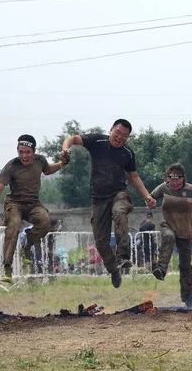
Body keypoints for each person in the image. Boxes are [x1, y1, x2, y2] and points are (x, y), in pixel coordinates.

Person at [61, 119, 156, 288]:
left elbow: (134, 177)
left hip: (119, 194)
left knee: (119, 212)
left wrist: (147, 196)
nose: (119, 137)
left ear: (127, 138)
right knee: (101, 242)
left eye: (124, 136)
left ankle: (123, 255)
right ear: (111, 130)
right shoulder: (97, 141)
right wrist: (66, 149)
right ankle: (113, 269)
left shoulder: (127, 153)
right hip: (98, 199)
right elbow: (73, 139)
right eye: (117, 133)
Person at [0, 135, 64, 283]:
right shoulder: (12, 166)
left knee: (45, 222)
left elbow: (48, 170)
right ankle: (7, 267)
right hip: (15, 203)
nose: (24, 156)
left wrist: (62, 164)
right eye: (21, 152)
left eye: (27, 152)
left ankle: (27, 246)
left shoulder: (40, 161)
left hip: (33, 203)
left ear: (33, 152)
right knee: (14, 226)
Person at [150, 163, 192, 309]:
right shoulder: (163, 187)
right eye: (171, 178)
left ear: (183, 178)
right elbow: (150, 197)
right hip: (168, 225)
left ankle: (188, 298)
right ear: (167, 178)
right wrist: (150, 201)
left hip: (185, 231)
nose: (175, 182)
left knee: (186, 266)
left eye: (178, 178)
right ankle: (161, 268)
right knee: (169, 237)